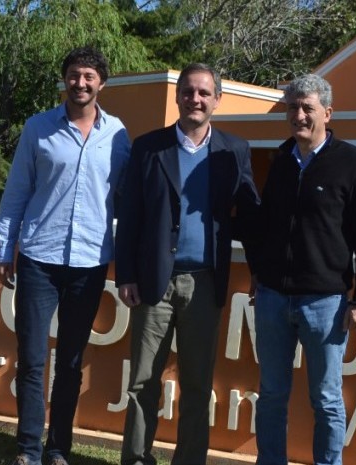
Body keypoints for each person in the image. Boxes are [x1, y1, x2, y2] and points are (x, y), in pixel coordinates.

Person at [115, 63, 260, 465]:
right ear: (177, 96)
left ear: (217, 99)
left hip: (205, 283)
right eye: (188, 91)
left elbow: (248, 214)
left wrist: (261, 267)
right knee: (142, 382)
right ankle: (136, 458)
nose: (195, 99)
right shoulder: (149, 147)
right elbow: (130, 217)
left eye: (203, 93)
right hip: (152, 283)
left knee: (198, 384)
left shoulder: (234, 150)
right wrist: (125, 273)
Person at [0, 46, 131, 465]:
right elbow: (17, 190)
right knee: (33, 359)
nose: (81, 83)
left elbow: (127, 201)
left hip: (90, 263)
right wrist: (5, 246)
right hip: (38, 257)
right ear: (64, 80)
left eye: (89, 76)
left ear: (101, 83)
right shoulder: (38, 128)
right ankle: (28, 449)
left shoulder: (119, 135)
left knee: (71, 363)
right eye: (74, 75)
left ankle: (58, 449)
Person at [248, 74, 356, 465]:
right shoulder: (282, 159)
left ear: (327, 111)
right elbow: (268, 225)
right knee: (272, 394)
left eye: (307, 107)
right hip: (273, 298)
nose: (299, 115)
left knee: (325, 398)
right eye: (293, 107)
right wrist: (258, 271)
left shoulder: (351, 162)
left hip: (326, 303)